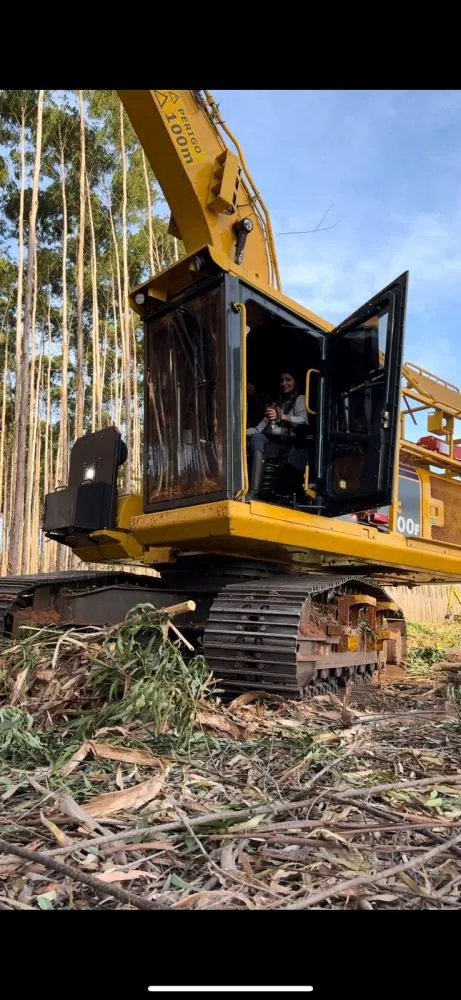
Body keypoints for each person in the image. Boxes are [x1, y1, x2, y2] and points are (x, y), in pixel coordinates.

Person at [246, 372, 308, 499]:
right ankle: (251, 488)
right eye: (282, 380)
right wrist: (240, 433)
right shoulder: (276, 404)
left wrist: (282, 416)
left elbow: (303, 420)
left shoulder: (300, 399)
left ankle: (254, 491)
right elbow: (259, 428)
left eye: (288, 379)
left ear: (295, 382)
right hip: (271, 440)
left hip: (288, 442)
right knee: (256, 437)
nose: (284, 383)